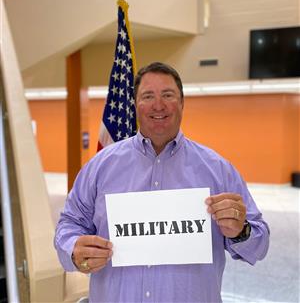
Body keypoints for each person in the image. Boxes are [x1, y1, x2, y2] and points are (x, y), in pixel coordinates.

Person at [55, 62, 270, 303]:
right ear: (136, 105)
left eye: (168, 95)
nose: (158, 105)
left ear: (182, 103)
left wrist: (241, 231)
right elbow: (69, 224)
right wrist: (74, 249)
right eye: (148, 96)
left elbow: (259, 245)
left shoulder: (218, 170)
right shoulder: (99, 167)